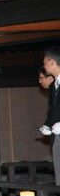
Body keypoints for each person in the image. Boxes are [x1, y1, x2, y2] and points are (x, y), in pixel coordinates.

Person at [39, 48, 60, 186]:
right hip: (57, 137)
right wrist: (47, 125)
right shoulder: (54, 86)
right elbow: (53, 112)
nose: (44, 65)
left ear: (52, 62)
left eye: (45, 62)